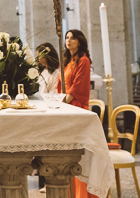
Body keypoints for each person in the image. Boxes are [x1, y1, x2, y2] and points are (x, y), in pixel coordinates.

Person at [57, 29, 93, 198]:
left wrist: (61, 103)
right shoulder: (66, 61)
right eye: (66, 37)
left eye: (72, 38)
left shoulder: (84, 61)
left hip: (76, 109)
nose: (68, 40)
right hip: (65, 110)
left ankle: (82, 194)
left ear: (80, 41)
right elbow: (60, 86)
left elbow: (76, 88)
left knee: (78, 156)